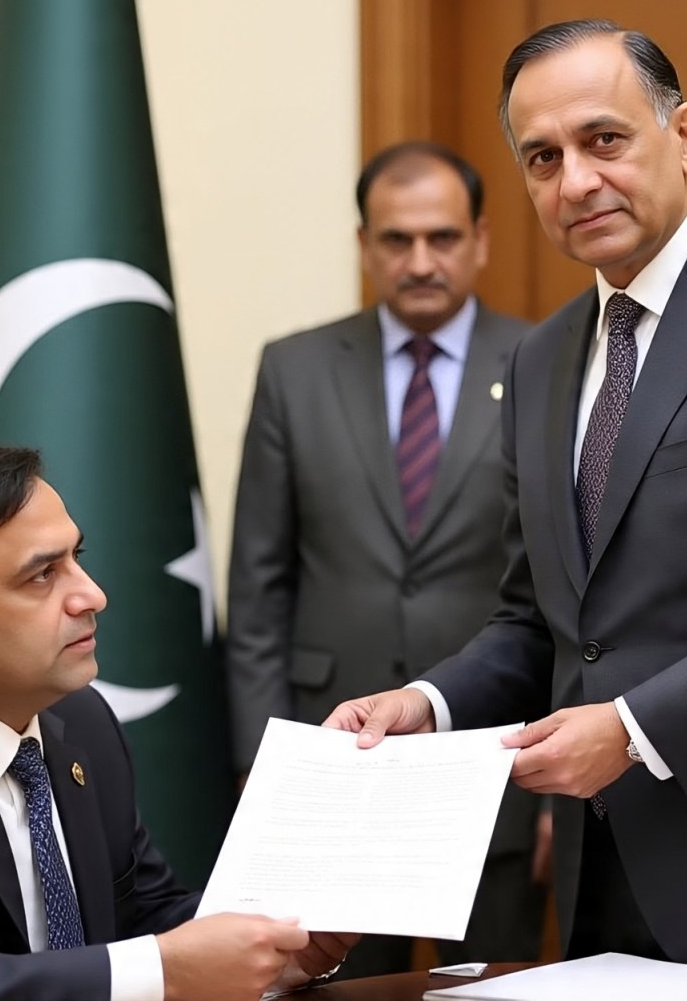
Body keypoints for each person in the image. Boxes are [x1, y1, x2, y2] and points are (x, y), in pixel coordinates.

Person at [324, 19, 687, 982]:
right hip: (599, 880)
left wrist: (632, 730)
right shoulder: (539, 360)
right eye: (543, 157)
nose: (575, 181)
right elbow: (537, 621)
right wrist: (427, 703)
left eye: (603, 140)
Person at [0, 444, 355, 1001]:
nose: (93, 595)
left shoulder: (81, 720)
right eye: (43, 575)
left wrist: (279, 945)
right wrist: (168, 971)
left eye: (77, 557)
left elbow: (146, 918)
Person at [226, 141, 547, 977]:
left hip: (494, 763)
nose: (421, 262)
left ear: (481, 240)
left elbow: (570, 590)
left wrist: (564, 792)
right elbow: (258, 588)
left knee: (495, 986)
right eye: (397, 240)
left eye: (443, 238)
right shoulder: (294, 370)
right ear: (364, 245)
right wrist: (264, 763)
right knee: (336, 986)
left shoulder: (545, 363)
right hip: (334, 768)